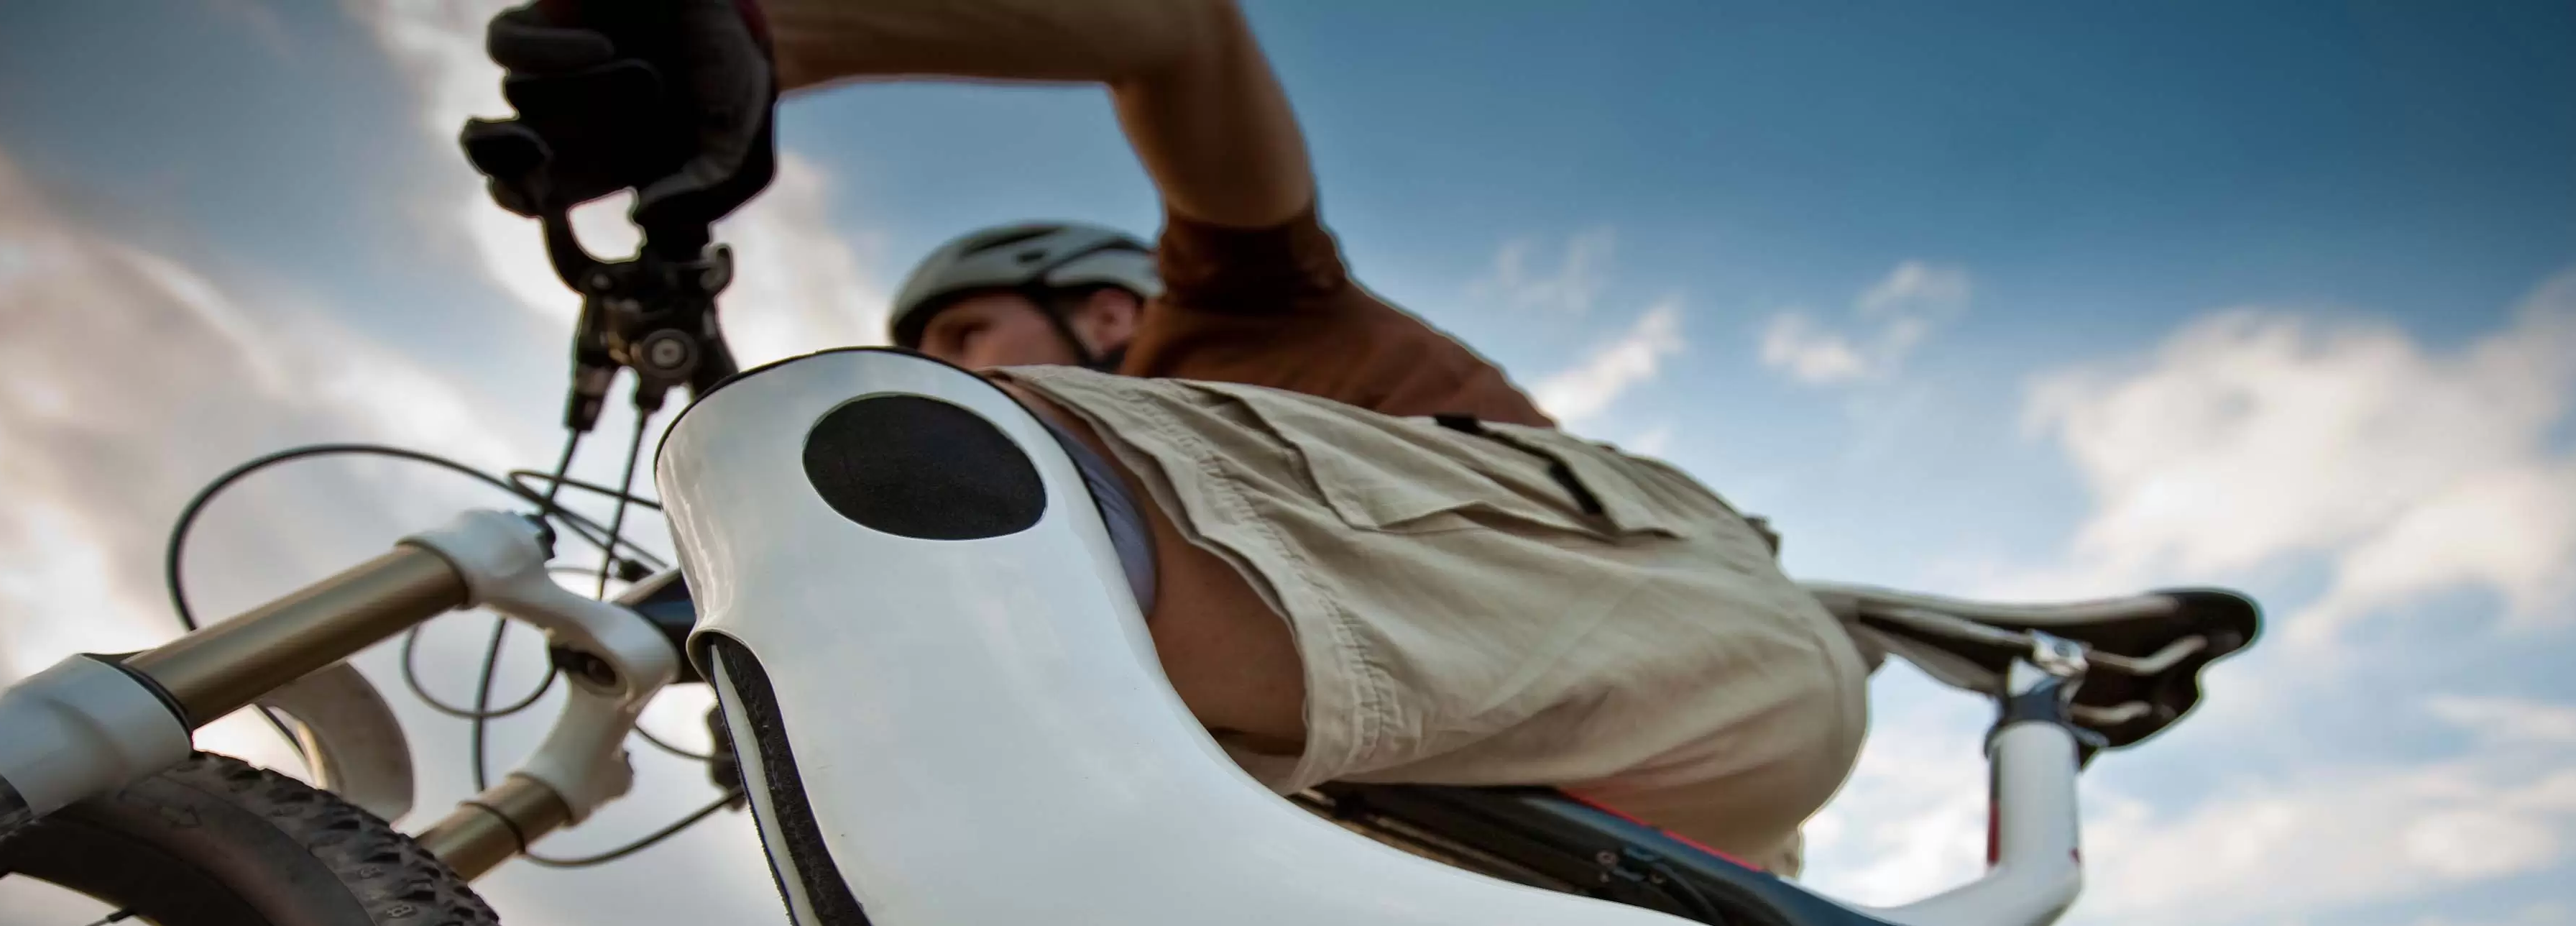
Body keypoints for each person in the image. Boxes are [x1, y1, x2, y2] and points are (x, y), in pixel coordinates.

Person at [479, 0, 1872, 876]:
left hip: (1695, 664)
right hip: (1484, 839)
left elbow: (1180, 32)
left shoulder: (1251, 305)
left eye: (965, 332)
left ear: (1102, 306)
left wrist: (763, 33)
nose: (947, 367)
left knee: (940, 452)